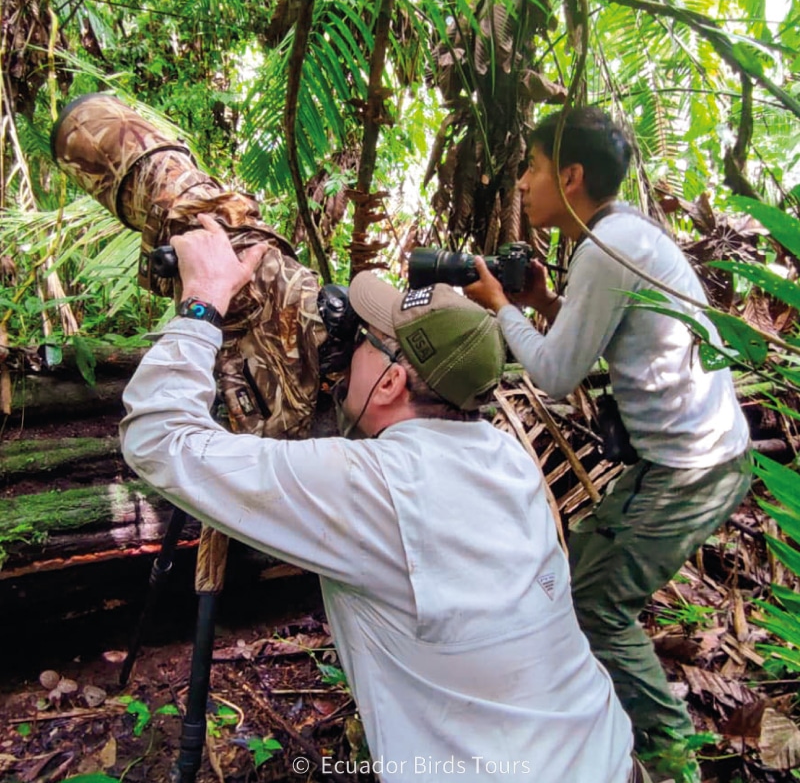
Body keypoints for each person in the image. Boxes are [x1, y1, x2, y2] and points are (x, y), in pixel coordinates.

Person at [120, 213, 638, 782]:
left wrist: (204, 301)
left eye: (363, 338)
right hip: (605, 751)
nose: (345, 343)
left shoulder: (370, 488)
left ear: (391, 383)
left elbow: (159, 440)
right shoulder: (506, 456)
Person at [465, 107, 751, 780]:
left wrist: (499, 307)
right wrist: (537, 303)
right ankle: (592, 713)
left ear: (570, 175)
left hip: (691, 470)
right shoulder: (623, 238)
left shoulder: (606, 249)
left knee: (595, 603)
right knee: (577, 579)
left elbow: (558, 374)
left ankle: (669, 750)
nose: (523, 184)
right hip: (686, 460)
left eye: (531, 168)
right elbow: (590, 343)